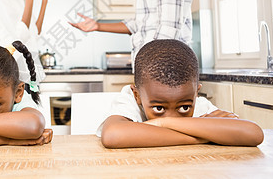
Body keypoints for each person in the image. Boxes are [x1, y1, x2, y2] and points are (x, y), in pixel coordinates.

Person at [99, 39, 264, 148]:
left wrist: (162, 124)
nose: (172, 117)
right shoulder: (130, 100)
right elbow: (113, 135)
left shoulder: (196, 102)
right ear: (137, 96)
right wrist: (205, 135)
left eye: (184, 108)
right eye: (158, 109)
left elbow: (253, 133)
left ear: (196, 94)